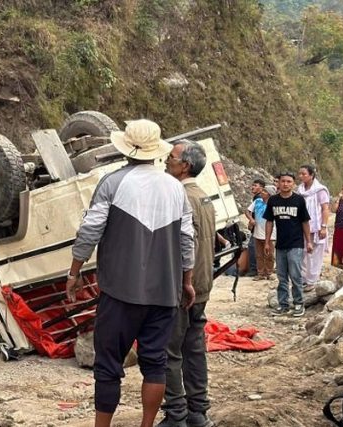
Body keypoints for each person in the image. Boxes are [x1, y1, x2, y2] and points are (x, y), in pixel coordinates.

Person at [65, 119, 195, 427]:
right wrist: (186, 281)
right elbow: (187, 239)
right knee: (155, 364)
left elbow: (90, 230)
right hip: (164, 293)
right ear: (156, 151)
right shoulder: (176, 189)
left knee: (108, 365)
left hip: (120, 292)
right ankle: (146, 425)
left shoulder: (112, 183)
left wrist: (75, 271)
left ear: (126, 148)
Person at [160, 140, 214, 427]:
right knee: (194, 349)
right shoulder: (204, 197)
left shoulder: (179, 197)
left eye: (172, 157)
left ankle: (176, 414)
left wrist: (184, 282)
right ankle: (198, 412)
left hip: (184, 288)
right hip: (203, 285)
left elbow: (186, 244)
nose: (167, 161)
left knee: (169, 350)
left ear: (185, 166)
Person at [264, 172, 312, 318]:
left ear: (293, 184)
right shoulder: (273, 200)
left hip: (296, 244)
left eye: (289, 181)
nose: (285, 184)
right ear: (278, 183)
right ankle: (283, 304)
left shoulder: (299, 200)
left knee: (296, 275)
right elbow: (269, 221)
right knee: (281, 276)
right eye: (283, 181)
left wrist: (308, 241)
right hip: (280, 244)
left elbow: (305, 221)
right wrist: (267, 242)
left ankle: (299, 303)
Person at [297, 165, 330, 292]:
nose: (301, 176)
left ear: (311, 175)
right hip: (302, 226)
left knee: (315, 254)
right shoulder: (300, 190)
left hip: (316, 227)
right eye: (300, 174)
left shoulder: (320, 190)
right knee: (304, 252)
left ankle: (312, 280)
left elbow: (325, 208)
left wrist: (323, 226)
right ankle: (304, 279)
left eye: (304, 174)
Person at [249, 185, 277, 281]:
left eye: (265, 191)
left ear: (269, 194)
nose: (262, 192)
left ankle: (269, 272)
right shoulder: (257, 202)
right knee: (259, 255)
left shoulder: (274, 204)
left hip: (270, 234)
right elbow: (247, 211)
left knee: (269, 254)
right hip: (258, 233)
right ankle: (260, 273)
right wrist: (251, 219)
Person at [244, 179, 265, 275]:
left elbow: (253, 212)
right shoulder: (257, 198)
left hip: (260, 227)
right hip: (258, 227)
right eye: (252, 185)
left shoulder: (259, 198)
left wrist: (252, 221)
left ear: (261, 188)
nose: (252, 187)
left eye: (255, 185)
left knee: (253, 247)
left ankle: (254, 270)